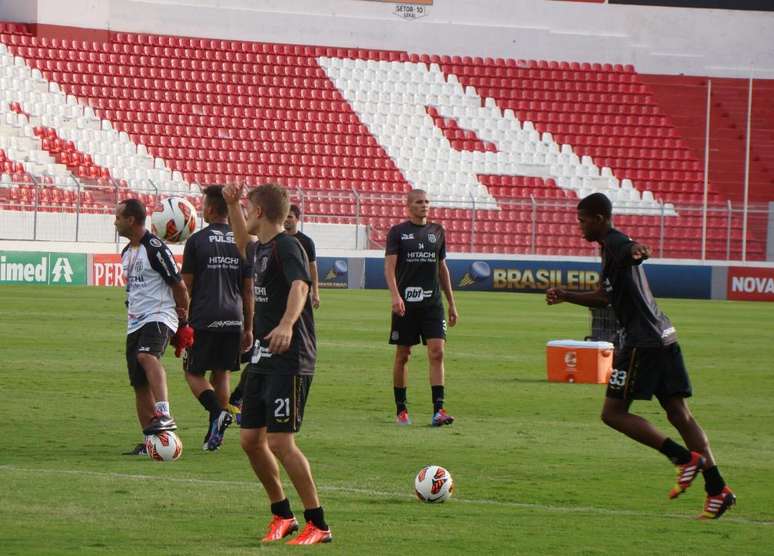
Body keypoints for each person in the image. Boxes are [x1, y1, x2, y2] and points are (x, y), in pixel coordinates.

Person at [545, 192, 735, 520]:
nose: (579, 225)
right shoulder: (610, 248)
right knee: (679, 414)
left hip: (641, 344)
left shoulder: (617, 244)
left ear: (599, 218)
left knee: (613, 413)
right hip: (664, 336)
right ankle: (717, 489)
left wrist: (639, 250)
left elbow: (637, 251)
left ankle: (683, 458)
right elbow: (606, 297)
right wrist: (566, 295)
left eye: (582, 219)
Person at [224, 182, 332, 544]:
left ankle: (318, 523)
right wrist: (231, 204)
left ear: (259, 212)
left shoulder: (288, 245)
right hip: (262, 357)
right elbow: (241, 241)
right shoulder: (261, 248)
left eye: (247, 207)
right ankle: (282, 515)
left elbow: (301, 286)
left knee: (282, 442)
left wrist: (286, 324)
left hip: (291, 357)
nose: (245, 213)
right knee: (251, 440)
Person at [114, 198, 190, 456]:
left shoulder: (155, 248)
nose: (115, 221)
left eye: (118, 217)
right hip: (135, 321)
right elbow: (133, 289)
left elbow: (179, 285)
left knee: (147, 356)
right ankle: (152, 442)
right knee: (138, 383)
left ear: (131, 220)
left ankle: (164, 413)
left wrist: (184, 323)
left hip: (159, 315)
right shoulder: (127, 252)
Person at [181, 186, 254, 451]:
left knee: (192, 372)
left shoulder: (197, 241)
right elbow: (248, 290)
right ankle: (217, 432)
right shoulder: (241, 242)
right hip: (234, 318)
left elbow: (186, 286)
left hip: (204, 316)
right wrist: (249, 327)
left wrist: (180, 319)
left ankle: (217, 413)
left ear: (210, 209)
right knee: (222, 371)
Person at [384, 189, 459, 427]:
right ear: (408, 205)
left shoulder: (437, 231)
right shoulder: (398, 232)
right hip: (406, 304)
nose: (424, 205)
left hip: (432, 304)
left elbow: (442, 268)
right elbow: (389, 267)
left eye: (426, 201)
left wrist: (451, 303)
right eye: (419, 202)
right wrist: (395, 296)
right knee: (403, 355)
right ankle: (401, 410)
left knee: (437, 352)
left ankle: (439, 410)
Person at [284, 204, 320, 309]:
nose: (286, 219)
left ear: (297, 219)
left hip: (301, 292)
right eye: (285, 216)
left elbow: (312, 268)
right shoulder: (276, 240)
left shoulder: (307, 242)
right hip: (280, 291)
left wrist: (316, 293)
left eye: (290, 216)